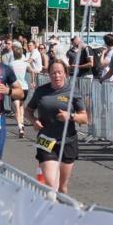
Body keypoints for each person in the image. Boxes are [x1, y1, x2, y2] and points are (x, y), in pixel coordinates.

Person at [25, 60, 87, 194]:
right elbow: (28, 111)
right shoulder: (41, 91)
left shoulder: (72, 92)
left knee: (62, 188)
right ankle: (51, 210)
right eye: (53, 73)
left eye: (59, 72)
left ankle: (61, 210)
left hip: (68, 141)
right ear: (49, 74)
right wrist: (34, 121)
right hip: (46, 140)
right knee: (51, 183)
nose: (56, 76)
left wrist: (70, 116)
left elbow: (85, 118)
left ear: (65, 74)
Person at [8, 44, 32, 138]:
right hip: (24, 87)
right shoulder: (25, 63)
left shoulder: (11, 64)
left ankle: (20, 127)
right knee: (21, 107)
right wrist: (33, 80)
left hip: (15, 88)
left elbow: (8, 76)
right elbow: (32, 70)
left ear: (14, 55)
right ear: (22, 54)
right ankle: (22, 124)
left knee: (17, 109)